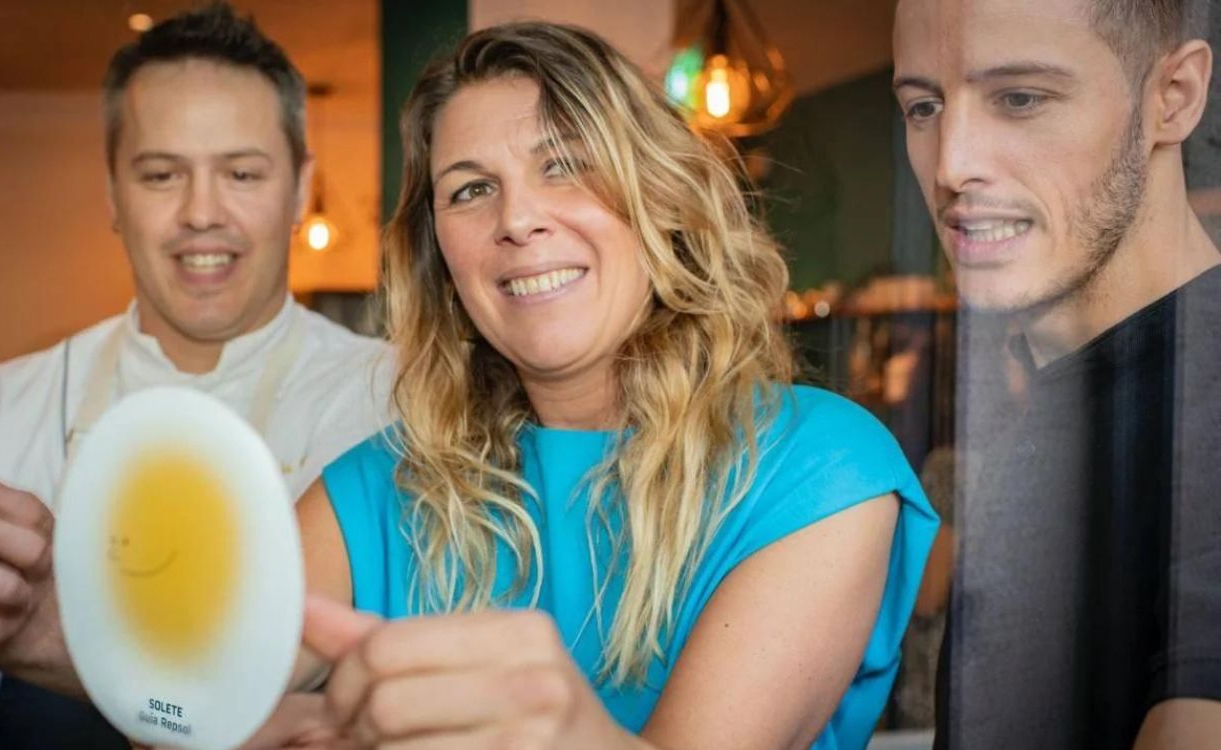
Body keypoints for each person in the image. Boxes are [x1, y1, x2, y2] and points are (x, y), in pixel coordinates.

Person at [251, 22, 939, 750]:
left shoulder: (817, 464)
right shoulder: (378, 486)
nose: (515, 219)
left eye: (565, 165)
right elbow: (174, 703)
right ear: (437, 255)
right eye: (471, 189)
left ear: (661, 200)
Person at [0, 4, 393, 748]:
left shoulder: (394, 404)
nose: (201, 213)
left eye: (243, 172)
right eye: (161, 174)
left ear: (298, 188)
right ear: (112, 195)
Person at [893, 0, 1221, 746]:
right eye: (923, 106)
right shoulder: (1053, 402)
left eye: (1019, 99)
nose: (949, 164)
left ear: (1171, 98)